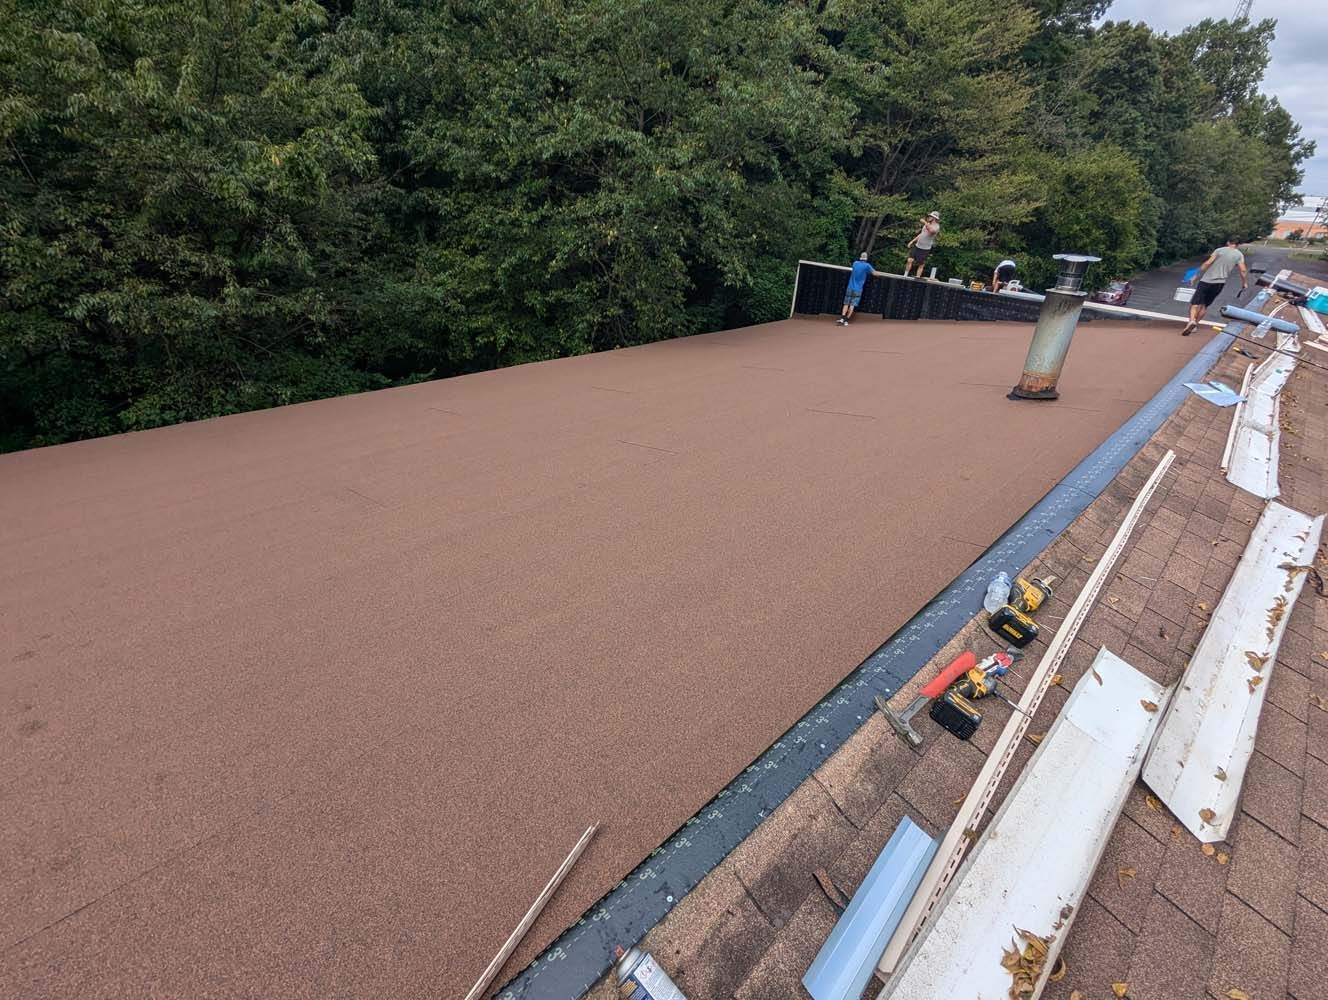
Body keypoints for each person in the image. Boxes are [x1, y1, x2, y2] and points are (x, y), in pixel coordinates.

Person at [1181, 238, 1248, 336]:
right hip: (1219, 283)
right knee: (1205, 305)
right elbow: (1243, 270)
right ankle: (1195, 325)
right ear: (1238, 245)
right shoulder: (1239, 255)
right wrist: (1244, 283)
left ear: (1228, 242)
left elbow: (1208, 263)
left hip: (1206, 280)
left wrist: (1196, 275)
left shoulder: (1219, 250)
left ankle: (1192, 321)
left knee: (1195, 304)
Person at [838, 252, 875, 325]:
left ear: (860, 257)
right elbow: (874, 273)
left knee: (846, 304)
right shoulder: (867, 266)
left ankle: (842, 318)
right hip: (858, 289)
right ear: (866, 258)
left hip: (850, 287)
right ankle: (846, 320)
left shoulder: (855, 263)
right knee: (852, 305)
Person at [905, 211, 940, 278]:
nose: (929, 217)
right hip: (917, 246)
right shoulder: (927, 224)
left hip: (925, 249)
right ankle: (905, 275)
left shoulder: (936, 226)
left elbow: (931, 231)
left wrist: (925, 222)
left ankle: (917, 277)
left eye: (930, 216)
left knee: (921, 264)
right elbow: (921, 234)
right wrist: (912, 241)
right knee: (909, 260)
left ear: (934, 218)